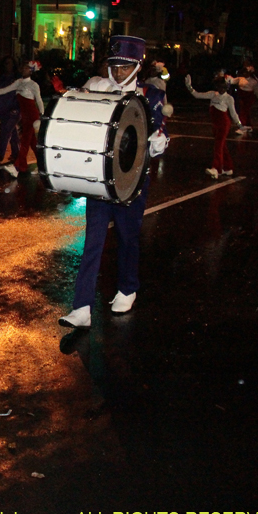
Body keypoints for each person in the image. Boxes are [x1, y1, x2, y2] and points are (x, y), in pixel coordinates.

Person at [58, 35, 169, 329]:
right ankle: (82, 307)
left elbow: (160, 136)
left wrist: (158, 140)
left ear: (137, 66)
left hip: (132, 179)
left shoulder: (150, 95)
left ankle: (128, 288)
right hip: (100, 177)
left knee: (127, 237)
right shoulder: (98, 88)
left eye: (125, 67)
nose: (118, 73)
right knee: (92, 241)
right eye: (114, 66)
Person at [185, 74, 242, 178]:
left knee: (218, 146)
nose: (221, 89)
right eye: (219, 87)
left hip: (224, 124)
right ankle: (228, 167)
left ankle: (216, 169)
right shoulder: (212, 94)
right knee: (222, 146)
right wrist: (189, 86)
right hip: (215, 124)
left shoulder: (229, 98)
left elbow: (233, 113)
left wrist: (239, 124)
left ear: (226, 87)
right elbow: (197, 95)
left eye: (223, 87)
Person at [0, 59, 44, 174]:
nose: (23, 69)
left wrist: (42, 115)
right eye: (23, 67)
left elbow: (39, 100)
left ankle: (18, 167)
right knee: (33, 142)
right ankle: (42, 165)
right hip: (25, 116)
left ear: (31, 71)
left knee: (25, 141)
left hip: (32, 116)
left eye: (26, 68)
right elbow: (5, 90)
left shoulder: (33, 84)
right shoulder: (19, 82)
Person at [0, 56, 20, 164]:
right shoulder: (1, 77)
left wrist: (17, 106)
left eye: (10, 63)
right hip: (2, 107)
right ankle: (16, 154)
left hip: (13, 108)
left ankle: (0, 153)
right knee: (12, 132)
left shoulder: (17, 78)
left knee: (6, 130)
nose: (7, 65)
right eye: (6, 63)